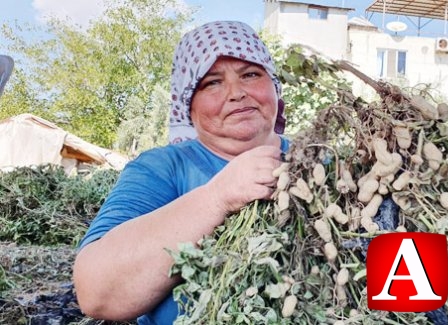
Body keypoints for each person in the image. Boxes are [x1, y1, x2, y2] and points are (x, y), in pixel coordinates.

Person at [72, 21, 289, 325]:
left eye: (250, 74)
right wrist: (218, 197)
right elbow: (96, 293)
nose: (236, 93)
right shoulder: (162, 169)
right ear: (188, 105)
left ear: (274, 86)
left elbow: (381, 289)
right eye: (211, 82)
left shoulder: (324, 163)